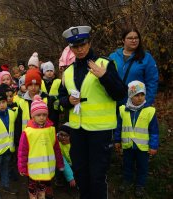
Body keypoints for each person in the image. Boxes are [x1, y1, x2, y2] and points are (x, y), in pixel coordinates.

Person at [59, 26, 127, 199]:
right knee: (81, 174)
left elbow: (120, 94)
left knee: (97, 177)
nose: (80, 49)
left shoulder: (105, 64)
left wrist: (104, 77)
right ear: (71, 48)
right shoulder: (67, 71)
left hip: (100, 131)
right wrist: (68, 101)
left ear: (89, 43)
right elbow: (60, 98)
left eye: (83, 44)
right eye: (75, 46)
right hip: (78, 131)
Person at [114, 81, 159, 198]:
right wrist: (117, 140)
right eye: (136, 95)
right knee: (127, 164)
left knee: (142, 166)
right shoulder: (123, 110)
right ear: (130, 96)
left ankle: (140, 184)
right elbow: (119, 127)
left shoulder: (149, 111)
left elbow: (154, 131)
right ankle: (127, 180)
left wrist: (153, 146)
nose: (140, 98)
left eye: (142, 94)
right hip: (128, 145)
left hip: (142, 148)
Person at [18, 95, 64, 199]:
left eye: (44, 114)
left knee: (43, 184)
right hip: (33, 167)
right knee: (32, 185)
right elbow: (22, 151)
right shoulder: (28, 132)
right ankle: (33, 195)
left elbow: (56, 148)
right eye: (38, 115)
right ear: (32, 116)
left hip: (47, 166)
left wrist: (60, 163)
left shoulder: (51, 130)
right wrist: (22, 167)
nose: (42, 117)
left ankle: (42, 195)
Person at [109, 28, 158, 106]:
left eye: (136, 38)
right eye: (130, 38)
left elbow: (152, 82)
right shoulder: (113, 57)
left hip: (136, 104)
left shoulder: (146, 58)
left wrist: (146, 103)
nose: (134, 40)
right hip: (115, 104)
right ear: (123, 40)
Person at [14, 68, 54, 147]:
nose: (33, 87)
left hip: (44, 138)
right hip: (27, 138)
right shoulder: (22, 102)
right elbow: (18, 123)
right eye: (30, 85)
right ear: (26, 85)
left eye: (36, 85)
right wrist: (18, 141)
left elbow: (52, 120)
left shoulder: (46, 100)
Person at [41, 61, 62, 129]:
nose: (49, 72)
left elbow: (62, 93)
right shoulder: (41, 82)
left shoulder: (58, 81)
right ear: (44, 72)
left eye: (51, 70)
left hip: (54, 109)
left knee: (53, 127)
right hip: (43, 108)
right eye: (47, 71)